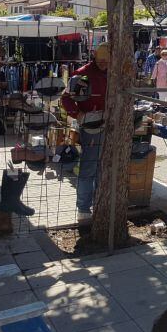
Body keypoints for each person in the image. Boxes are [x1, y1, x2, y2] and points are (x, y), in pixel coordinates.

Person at [61, 42, 108, 220]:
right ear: (95, 56)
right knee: (89, 167)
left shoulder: (114, 72)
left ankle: (99, 204)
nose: (103, 63)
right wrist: (78, 114)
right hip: (91, 127)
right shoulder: (82, 74)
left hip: (110, 124)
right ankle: (83, 208)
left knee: (104, 168)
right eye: (101, 60)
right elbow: (66, 100)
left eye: (107, 61)